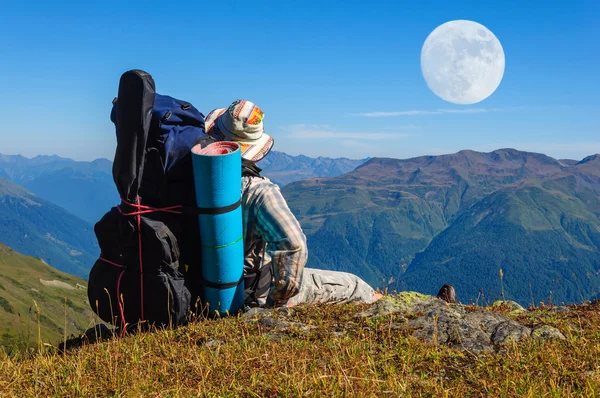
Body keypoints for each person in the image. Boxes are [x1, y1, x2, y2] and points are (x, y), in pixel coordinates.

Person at [204, 100, 382, 308]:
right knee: (355, 285)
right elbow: (294, 246)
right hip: (248, 295)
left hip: (196, 289)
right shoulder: (259, 191)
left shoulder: (189, 177)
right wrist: (276, 302)